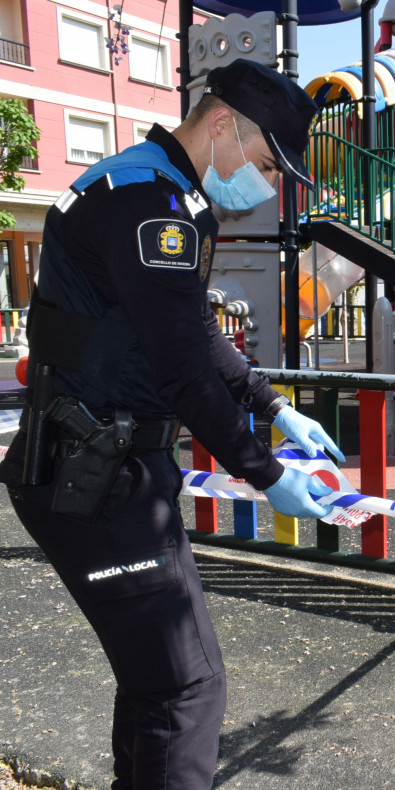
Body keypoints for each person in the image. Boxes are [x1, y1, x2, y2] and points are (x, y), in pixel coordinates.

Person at [0, 58, 342, 789]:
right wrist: (267, 471)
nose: (268, 184)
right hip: (92, 476)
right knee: (184, 687)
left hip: (106, 469)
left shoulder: (155, 189)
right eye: (263, 162)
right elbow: (183, 367)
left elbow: (189, 328)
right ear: (222, 124)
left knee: (160, 680)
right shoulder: (148, 206)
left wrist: (270, 403)